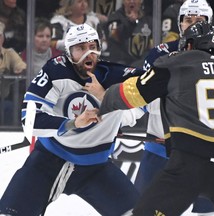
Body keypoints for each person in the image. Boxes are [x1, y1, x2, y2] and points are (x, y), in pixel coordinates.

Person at [93, 21, 214, 216]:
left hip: (187, 165)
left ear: (189, 44)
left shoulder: (174, 65)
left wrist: (104, 99)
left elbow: (133, 94)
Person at [0, 23, 146, 216]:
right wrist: (72, 123)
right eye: (80, 48)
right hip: (50, 161)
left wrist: (110, 104)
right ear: (69, 52)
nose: (88, 53)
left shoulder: (114, 75)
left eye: (92, 46)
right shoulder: (55, 71)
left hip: (96, 167)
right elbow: (30, 118)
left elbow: (146, 98)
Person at [105, 0, 153, 67]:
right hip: (121, 64)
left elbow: (152, 44)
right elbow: (114, 36)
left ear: (141, 1)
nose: (132, 1)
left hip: (142, 63)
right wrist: (129, 23)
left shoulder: (149, 20)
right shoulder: (115, 18)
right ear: (123, 1)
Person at [0, 21, 26, 126]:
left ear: (2, 38)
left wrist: (19, 71)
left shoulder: (9, 53)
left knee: (10, 107)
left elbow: (23, 68)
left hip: (3, 99)